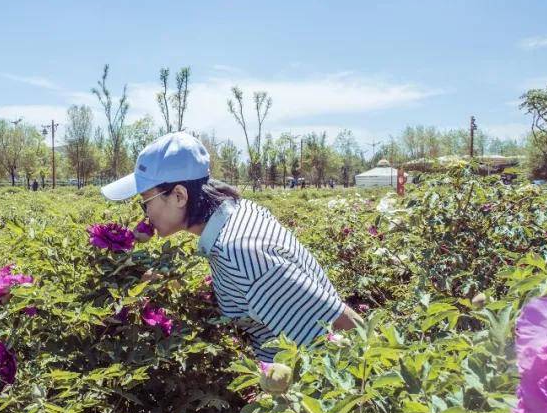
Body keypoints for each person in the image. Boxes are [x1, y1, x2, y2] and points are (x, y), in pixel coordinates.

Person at [101, 132, 359, 362]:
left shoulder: (240, 252)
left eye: (145, 202)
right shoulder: (239, 213)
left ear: (179, 195)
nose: (144, 214)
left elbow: (345, 326)